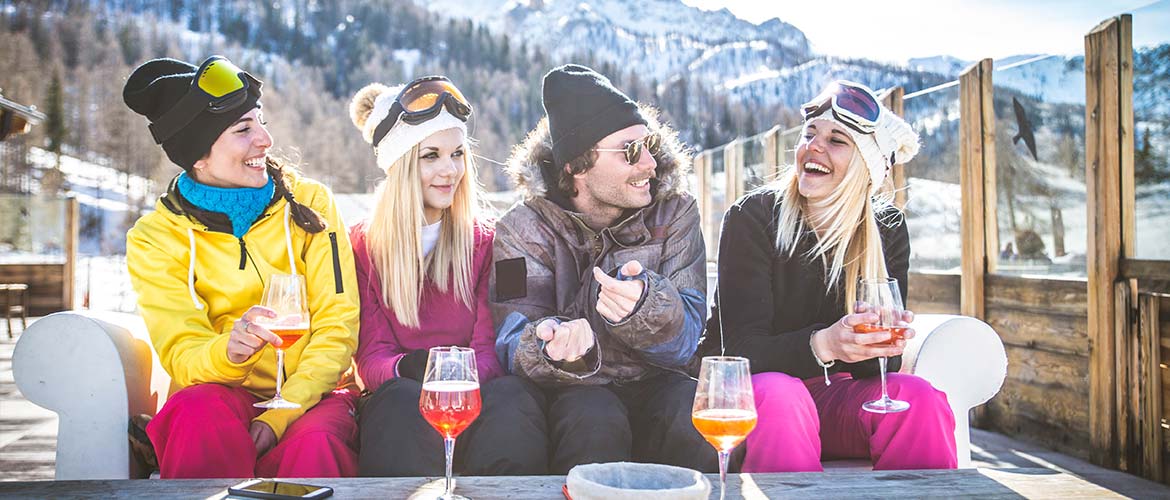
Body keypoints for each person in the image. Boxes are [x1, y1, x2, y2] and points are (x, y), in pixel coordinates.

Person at [122, 55, 361, 478]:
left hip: (312, 395)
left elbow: (337, 324)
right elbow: (182, 351)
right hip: (222, 394)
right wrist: (228, 351)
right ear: (198, 155)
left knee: (315, 444)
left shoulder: (311, 204)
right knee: (195, 416)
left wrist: (279, 416)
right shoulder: (155, 237)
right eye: (243, 129)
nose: (266, 139)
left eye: (261, 120)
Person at [701, 80, 957, 472]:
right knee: (783, 395)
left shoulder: (885, 229)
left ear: (865, 168)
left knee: (918, 398)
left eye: (837, 140)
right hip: (756, 398)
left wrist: (881, 346)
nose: (814, 146)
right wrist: (826, 344)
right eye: (809, 134)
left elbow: (873, 375)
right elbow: (739, 350)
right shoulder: (753, 217)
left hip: (835, 398)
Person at [491, 64, 713, 474]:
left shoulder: (677, 212)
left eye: (648, 146)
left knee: (692, 412)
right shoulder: (518, 230)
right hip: (573, 389)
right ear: (576, 166)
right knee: (592, 419)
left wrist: (646, 309)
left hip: (659, 382)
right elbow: (510, 338)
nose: (649, 163)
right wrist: (552, 345)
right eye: (630, 151)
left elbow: (689, 332)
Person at [347, 77, 547, 476]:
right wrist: (412, 368)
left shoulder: (489, 241)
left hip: (477, 399)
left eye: (457, 154)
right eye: (430, 156)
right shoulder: (362, 246)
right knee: (398, 401)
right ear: (400, 165)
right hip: (404, 406)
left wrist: (449, 377)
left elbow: (493, 348)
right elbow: (371, 357)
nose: (449, 170)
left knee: (512, 398)